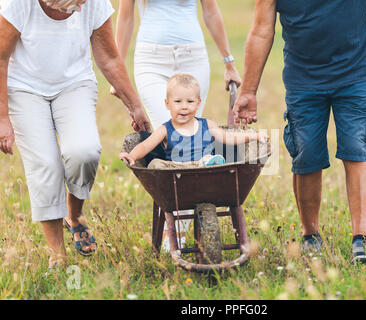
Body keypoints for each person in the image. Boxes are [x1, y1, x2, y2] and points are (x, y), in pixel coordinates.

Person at [233, 0, 366, 263]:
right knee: (306, 155)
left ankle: (361, 239)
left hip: (357, 69)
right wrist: (248, 90)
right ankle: (310, 236)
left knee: (357, 148)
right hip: (303, 77)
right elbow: (261, 30)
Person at [0, 0, 150, 269]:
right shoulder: (17, 4)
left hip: (74, 83)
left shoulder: (92, 2)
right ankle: (57, 253)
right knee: (45, 165)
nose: (81, 9)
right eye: (75, 3)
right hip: (24, 88)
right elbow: (0, 58)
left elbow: (109, 57)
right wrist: (2, 118)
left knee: (84, 151)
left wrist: (135, 105)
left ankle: (76, 216)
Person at [112, 0, 242, 130]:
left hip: (193, 60)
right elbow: (125, 18)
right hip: (151, 63)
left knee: (188, 131)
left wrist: (229, 63)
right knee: (169, 131)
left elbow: (211, 13)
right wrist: (117, 74)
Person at [120, 73, 267, 168]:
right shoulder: (165, 129)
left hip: (203, 167)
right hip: (176, 171)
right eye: (178, 101)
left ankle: (210, 163)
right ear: (167, 104)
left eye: (190, 102)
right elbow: (146, 146)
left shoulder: (206, 125)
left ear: (198, 104)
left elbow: (228, 137)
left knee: (211, 160)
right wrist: (131, 156)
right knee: (155, 164)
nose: (184, 107)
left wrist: (254, 136)